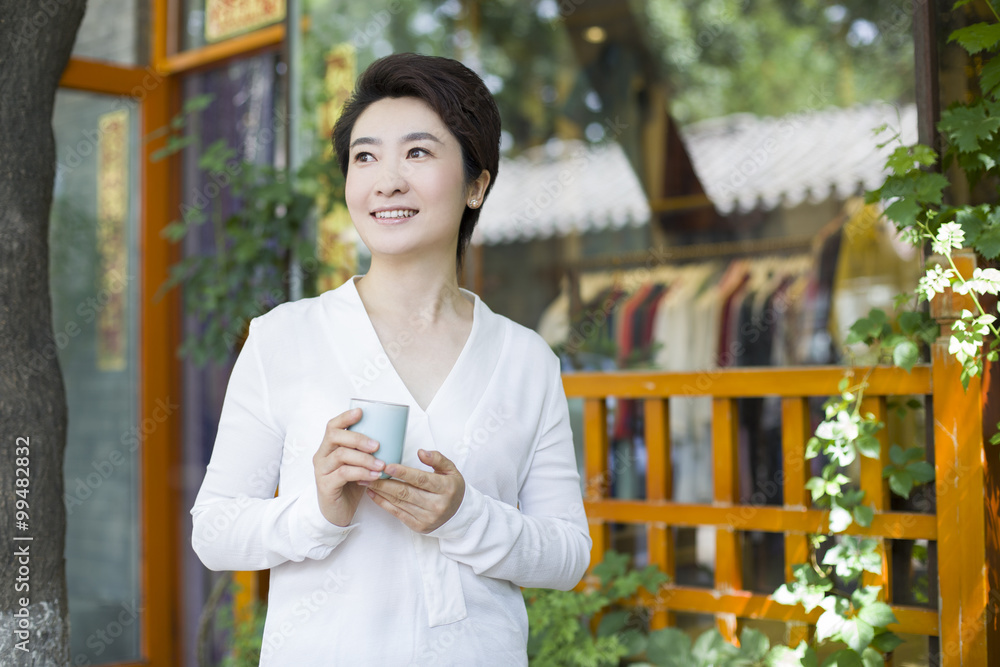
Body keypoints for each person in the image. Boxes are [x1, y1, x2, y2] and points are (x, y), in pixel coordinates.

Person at [190, 52, 591, 665]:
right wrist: (318, 511)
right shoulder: (284, 338)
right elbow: (214, 532)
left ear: (477, 184)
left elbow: (568, 555)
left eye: (419, 153)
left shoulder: (524, 359)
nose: (387, 180)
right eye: (366, 156)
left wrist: (466, 516)